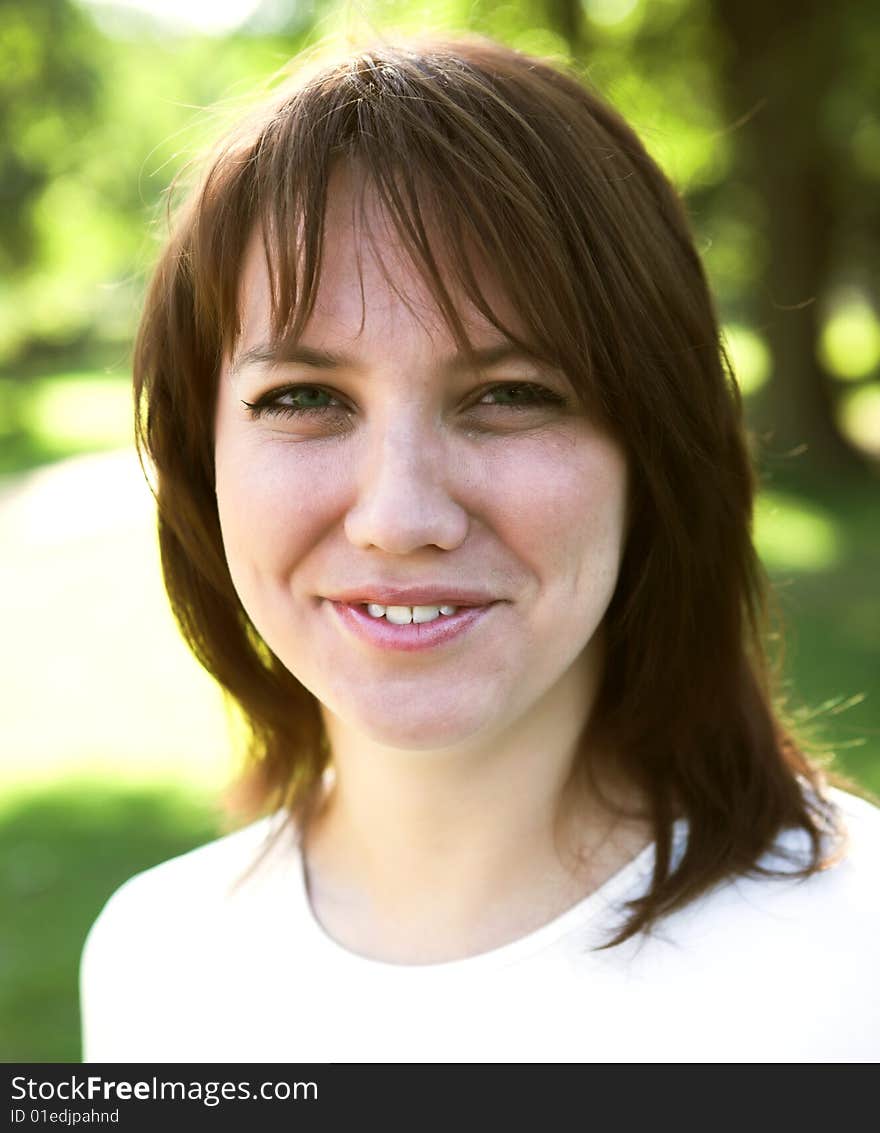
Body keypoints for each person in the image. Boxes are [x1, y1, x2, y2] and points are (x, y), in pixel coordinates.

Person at [80, 34, 880, 1063]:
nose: (400, 513)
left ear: (655, 448)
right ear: (201, 460)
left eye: (510, 394)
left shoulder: (852, 961)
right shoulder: (155, 961)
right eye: (305, 398)